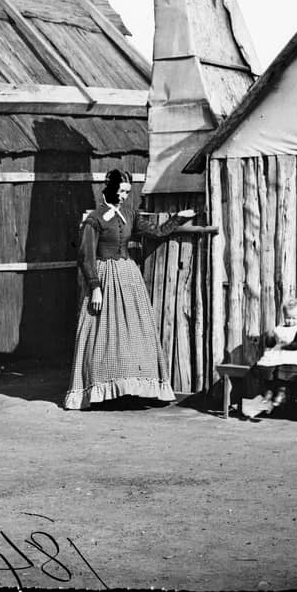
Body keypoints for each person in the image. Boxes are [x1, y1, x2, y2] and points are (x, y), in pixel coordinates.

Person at [63, 169, 195, 411]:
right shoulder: (95, 218)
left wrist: (178, 217)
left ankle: (131, 389)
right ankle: (98, 391)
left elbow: (156, 232)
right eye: (121, 191)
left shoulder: (129, 214)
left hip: (128, 279)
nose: (124, 196)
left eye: (127, 192)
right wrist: (95, 288)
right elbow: (85, 256)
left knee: (134, 334)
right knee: (100, 335)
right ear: (110, 189)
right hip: (104, 279)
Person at [240, 297, 297, 420]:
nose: (290, 321)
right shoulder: (279, 328)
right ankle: (267, 393)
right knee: (265, 369)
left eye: (293, 318)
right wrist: (270, 337)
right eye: (287, 318)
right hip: (277, 356)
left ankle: (281, 391)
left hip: (295, 356)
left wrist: (287, 345)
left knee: (285, 370)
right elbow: (270, 343)